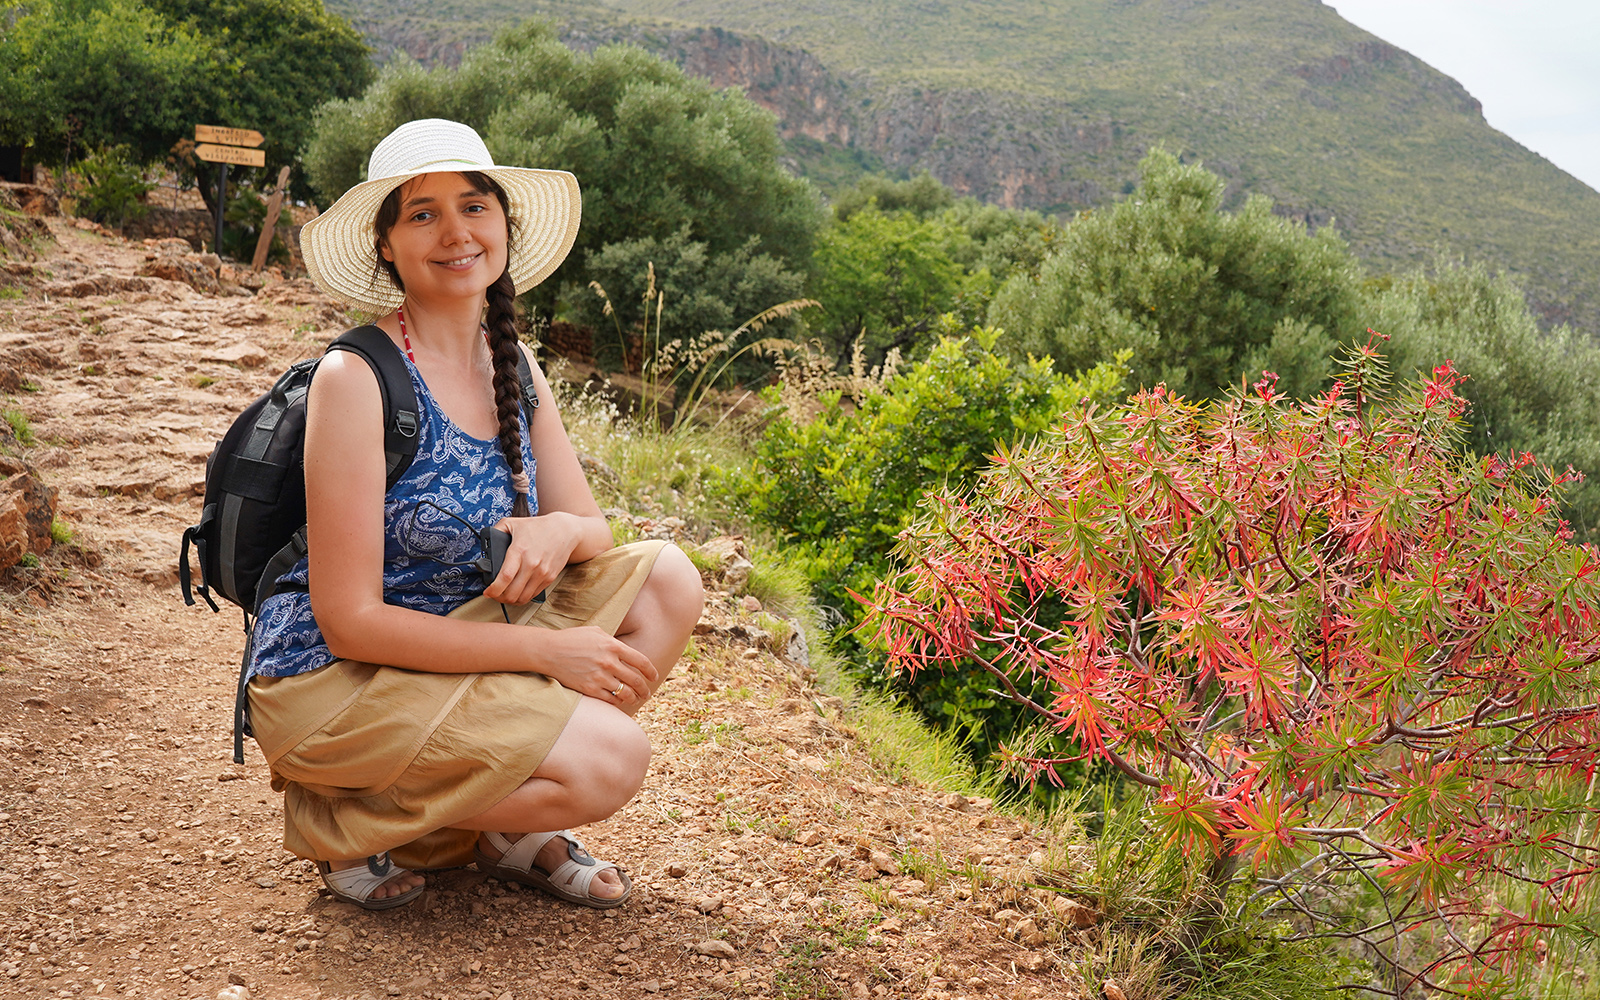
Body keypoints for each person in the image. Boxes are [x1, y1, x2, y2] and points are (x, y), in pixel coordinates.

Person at [244, 118, 704, 910]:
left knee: (669, 579)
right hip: (338, 675)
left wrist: (555, 529)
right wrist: (544, 661)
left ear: (504, 226)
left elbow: (592, 531)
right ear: (386, 244)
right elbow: (351, 621)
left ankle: (501, 832)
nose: (456, 233)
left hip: (463, 630)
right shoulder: (356, 377)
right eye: (422, 214)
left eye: (474, 207)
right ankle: (348, 817)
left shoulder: (513, 363)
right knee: (611, 762)